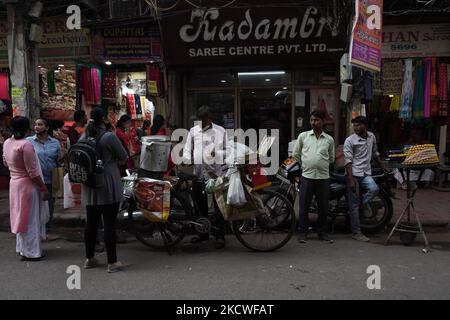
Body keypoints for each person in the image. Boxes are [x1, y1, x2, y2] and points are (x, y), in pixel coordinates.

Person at [82, 107, 128, 273]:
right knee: (109, 223)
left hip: (89, 184)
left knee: (91, 223)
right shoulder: (109, 137)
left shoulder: (85, 135)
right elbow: (124, 156)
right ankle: (112, 262)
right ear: (104, 118)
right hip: (107, 182)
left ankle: (89, 259)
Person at [3, 116, 50, 261]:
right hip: (27, 185)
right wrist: (43, 188)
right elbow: (33, 172)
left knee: (20, 217)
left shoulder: (7, 143)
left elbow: (5, 163)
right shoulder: (26, 145)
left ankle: (22, 249)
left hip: (14, 183)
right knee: (31, 219)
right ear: (26, 129)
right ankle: (33, 251)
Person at [183, 106, 228, 249]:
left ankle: (220, 235)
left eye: (205, 119)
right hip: (198, 174)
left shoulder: (221, 131)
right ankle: (202, 233)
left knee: (218, 205)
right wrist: (186, 159)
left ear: (210, 118)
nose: (202, 122)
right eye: (200, 119)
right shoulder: (193, 131)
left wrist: (218, 154)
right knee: (199, 205)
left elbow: (227, 150)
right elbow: (187, 149)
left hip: (215, 174)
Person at [292, 110, 335, 244]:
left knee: (323, 206)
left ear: (323, 121)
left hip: (323, 177)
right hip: (307, 176)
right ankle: (303, 232)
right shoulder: (303, 136)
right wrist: (306, 166)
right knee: (304, 205)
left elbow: (331, 158)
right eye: (311, 120)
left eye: (316, 120)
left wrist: (319, 163)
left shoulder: (329, 139)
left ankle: (322, 232)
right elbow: (296, 155)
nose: (313, 123)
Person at [344, 116, 388, 242]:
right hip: (354, 174)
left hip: (366, 173)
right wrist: (351, 179)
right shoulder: (350, 140)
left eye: (359, 125)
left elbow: (375, 153)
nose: (356, 128)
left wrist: (382, 166)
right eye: (355, 125)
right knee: (353, 206)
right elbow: (348, 161)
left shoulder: (371, 137)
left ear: (365, 125)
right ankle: (356, 232)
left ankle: (360, 204)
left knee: (374, 189)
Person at [27, 119, 61, 232]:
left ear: (47, 128)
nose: (36, 127)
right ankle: (35, 229)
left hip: (50, 178)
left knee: (49, 205)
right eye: (36, 124)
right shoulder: (28, 142)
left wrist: (63, 157)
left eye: (40, 124)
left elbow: (58, 161)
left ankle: (47, 229)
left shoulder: (55, 143)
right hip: (34, 179)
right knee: (35, 205)